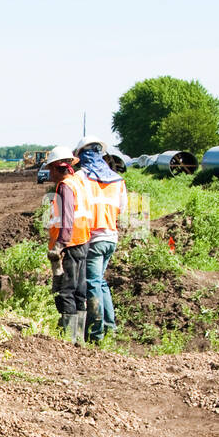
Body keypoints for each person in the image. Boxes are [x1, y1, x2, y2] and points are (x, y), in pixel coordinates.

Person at [74, 138, 128, 342]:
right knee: (101, 282)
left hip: (93, 238)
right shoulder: (117, 179)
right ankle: (110, 327)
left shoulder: (81, 177)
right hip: (111, 237)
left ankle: (96, 334)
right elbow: (121, 209)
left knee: (92, 282)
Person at [44, 145, 93, 345]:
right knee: (79, 290)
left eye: (50, 169)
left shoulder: (65, 186)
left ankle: (69, 341)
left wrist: (60, 245)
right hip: (83, 240)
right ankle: (79, 340)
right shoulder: (77, 182)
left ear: (57, 168)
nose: (49, 174)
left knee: (66, 291)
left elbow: (67, 218)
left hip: (70, 245)